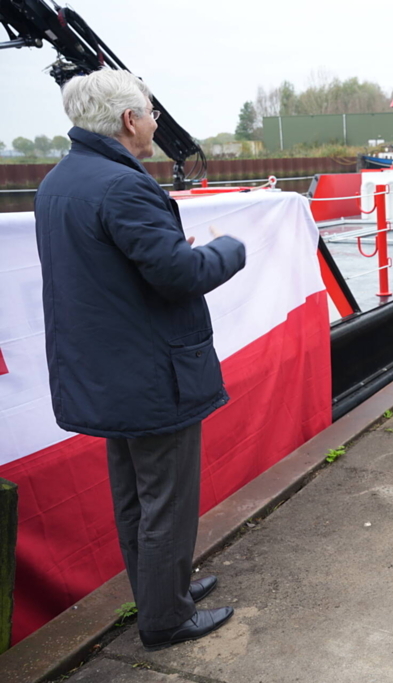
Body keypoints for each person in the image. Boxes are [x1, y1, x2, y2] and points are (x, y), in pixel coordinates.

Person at [34, 69, 246, 649]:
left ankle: (159, 594)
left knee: (134, 499)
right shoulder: (123, 186)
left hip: (103, 372)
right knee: (167, 502)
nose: (155, 123)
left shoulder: (57, 182)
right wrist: (228, 249)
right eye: (151, 113)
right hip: (152, 374)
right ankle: (166, 619)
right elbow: (179, 276)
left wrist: (171, 254)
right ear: (130, 121)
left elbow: (107, 273)